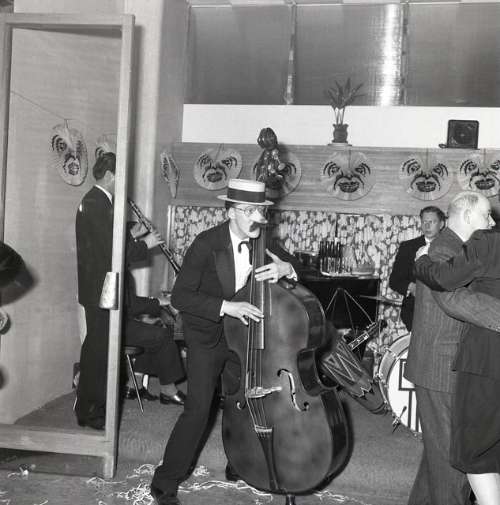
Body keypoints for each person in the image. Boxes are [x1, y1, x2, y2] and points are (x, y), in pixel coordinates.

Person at [150, 178, 301, 505]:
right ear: (231, 212)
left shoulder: (263, 239)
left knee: (241, 402)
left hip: (242, 337)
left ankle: (238, 463)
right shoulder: (207, 243)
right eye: (249, 211)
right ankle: (165, 481)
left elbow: (297, 266)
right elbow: (180, 296)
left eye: (260, 211)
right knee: (198, 409)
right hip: (206, 335)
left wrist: (287, 269)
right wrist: (226, 307)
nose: (257, 219)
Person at [404, 191, 500, 505]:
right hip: (441, 367)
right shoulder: (444, 248)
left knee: (437, 457)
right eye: (486, 215)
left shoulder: (455, 247)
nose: (491, 222)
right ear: (468, 215)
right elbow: (454, 300)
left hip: (442, 364)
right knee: (453, 466)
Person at [75, 152, 162, 430]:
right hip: (101, 289)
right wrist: (145, 245)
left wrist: (132, 233)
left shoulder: (97, 201)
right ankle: (91, 410)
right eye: (120, 177)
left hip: (103, 288)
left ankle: (91, 406)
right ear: (111, 176)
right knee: (100, 352)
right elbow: (111, 251)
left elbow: (107, 238)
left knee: (100, 349)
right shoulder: (97, 202)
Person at [122, 221, 185, 405]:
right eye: (133, 242)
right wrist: (157, 302)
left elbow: (129, 302)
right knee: (163, 336)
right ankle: (168, 391)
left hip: (121, 322)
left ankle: (133, 385)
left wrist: (156, 301)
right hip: (115, 326)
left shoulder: (121, 267)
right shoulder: (119, 268)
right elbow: (131, 305)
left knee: (152, 329)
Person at [389, 206, 445, 331]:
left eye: (432, 222)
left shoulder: (451, 248)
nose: (427, 226)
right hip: (414, 312)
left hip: (443, 313)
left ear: (441, 224)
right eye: (424, 222)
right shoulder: (407, 247)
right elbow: (394, 280)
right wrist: (411, 287)